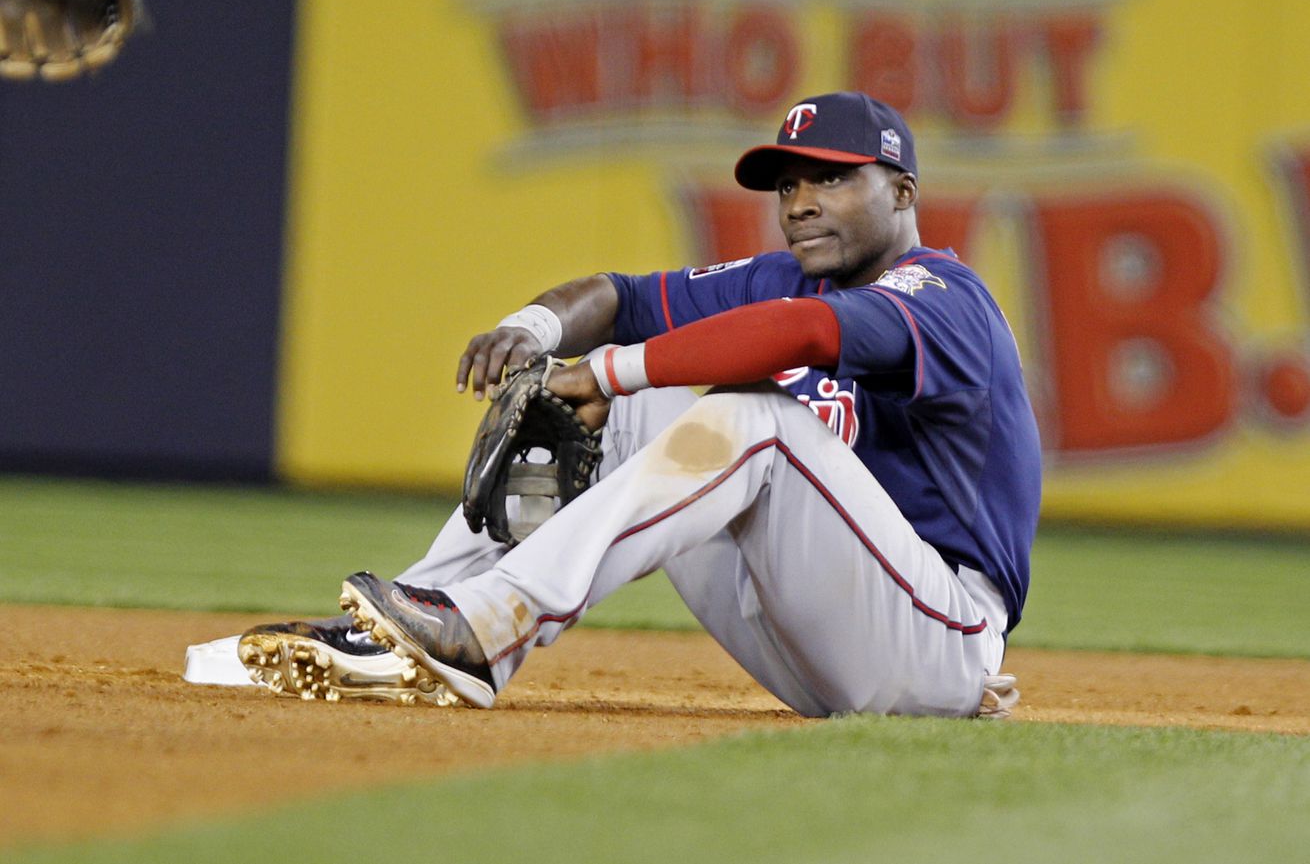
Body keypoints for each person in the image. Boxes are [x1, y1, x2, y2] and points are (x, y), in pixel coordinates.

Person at [238, 91, 1041, 718]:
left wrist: (610, 371)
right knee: (622, 414)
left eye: (832, 177)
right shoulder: (788, 273)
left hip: (941, 639)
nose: (800, 202)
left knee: (753, 418)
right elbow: (619, 297)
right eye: (789, 184)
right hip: (819, 638)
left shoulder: (945, 296)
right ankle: (406, 631)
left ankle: (491, 626)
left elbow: (800, 334)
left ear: (902, 191)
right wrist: (532, 328)